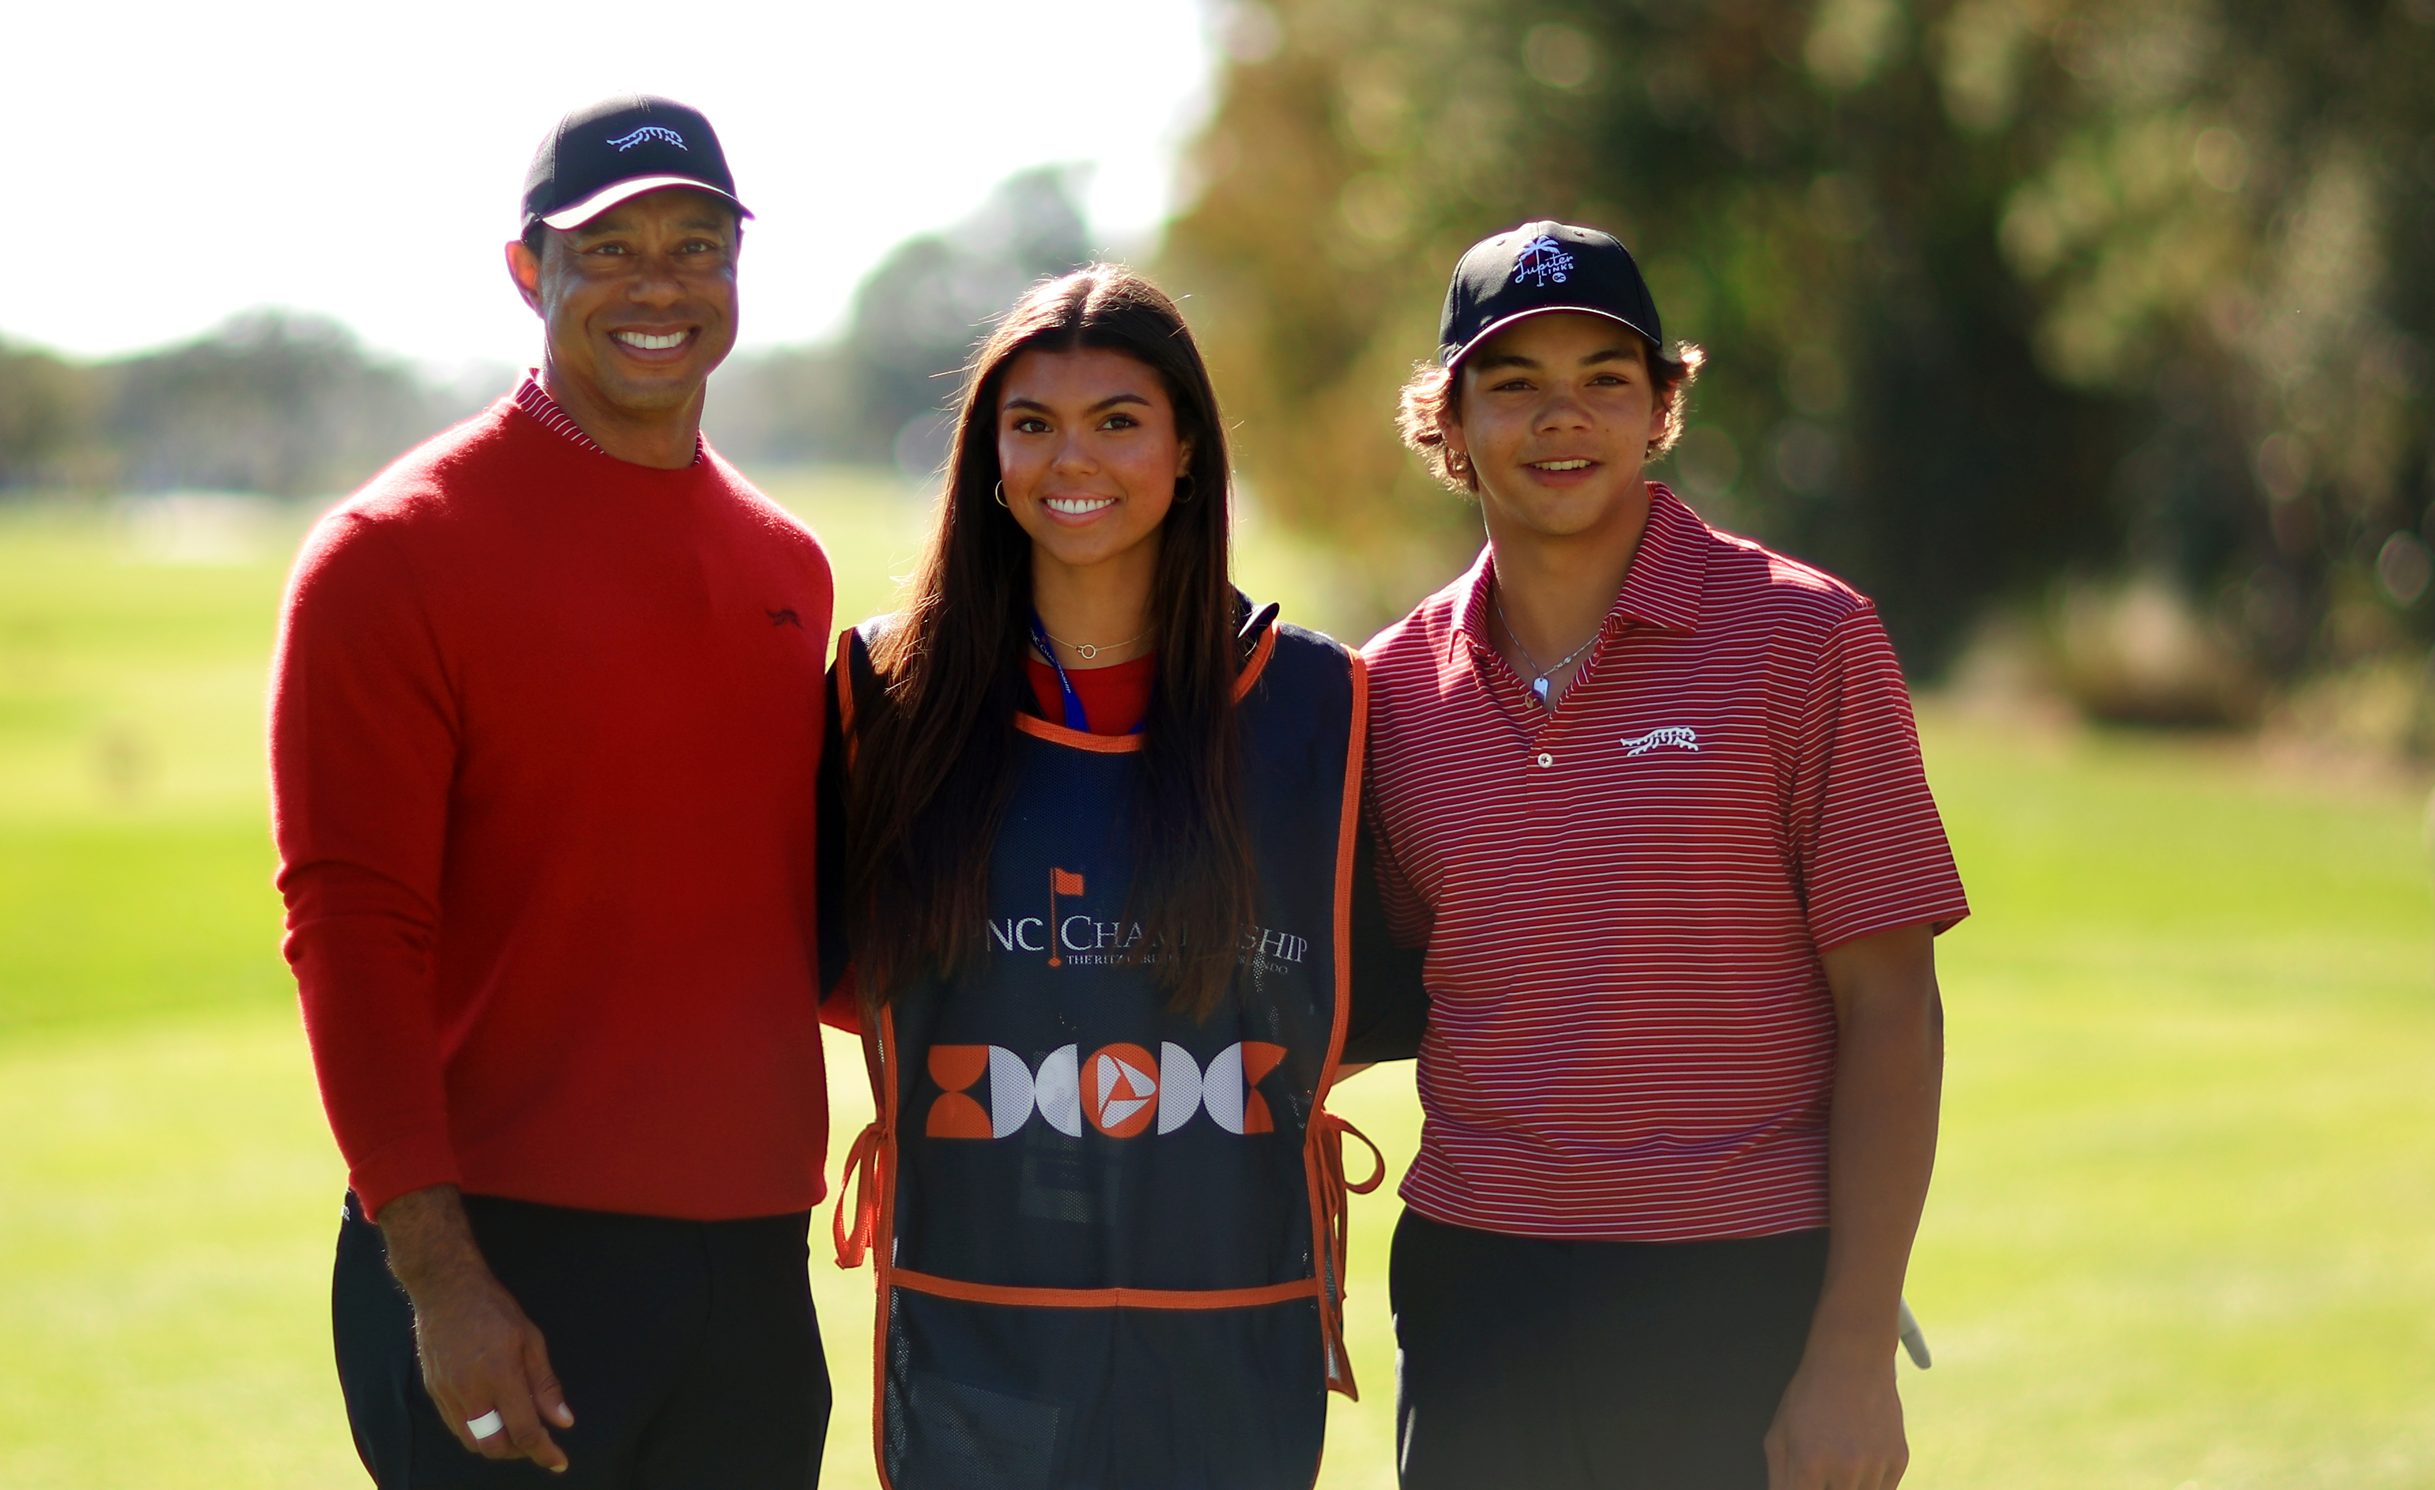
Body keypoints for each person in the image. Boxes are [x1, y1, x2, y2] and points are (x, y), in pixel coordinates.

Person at [269, 96, 834, 1488]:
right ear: (531, 272)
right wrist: (441, 1277)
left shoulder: (787, 563)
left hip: (754, 1270)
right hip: (503, 1264)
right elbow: (353, 932)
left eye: (695, 246)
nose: (659, 286)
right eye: (611, 249)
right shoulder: (393, 552)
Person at [1363, 221, 1969, 1490]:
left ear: (1659, 408)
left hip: (1737, 1290)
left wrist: (1854, 1345)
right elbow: (1362, 996)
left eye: (1604, 378)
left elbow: (1892, 1005)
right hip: (1477, 1293)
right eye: (1514, 383)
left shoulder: (1807, 640)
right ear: (1450, 422)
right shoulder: (1387, 689)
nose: (1562, 418)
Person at [819, 265, 1422, 1489]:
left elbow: (1356, 1008)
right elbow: (840, 983)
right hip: (975, 1340)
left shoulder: (1320, 702)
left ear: (1187, 448)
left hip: (1229, 1342)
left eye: (1117, 420)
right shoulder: (883, 698)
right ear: (989, 455)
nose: (1071, 458)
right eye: (1032, 423)